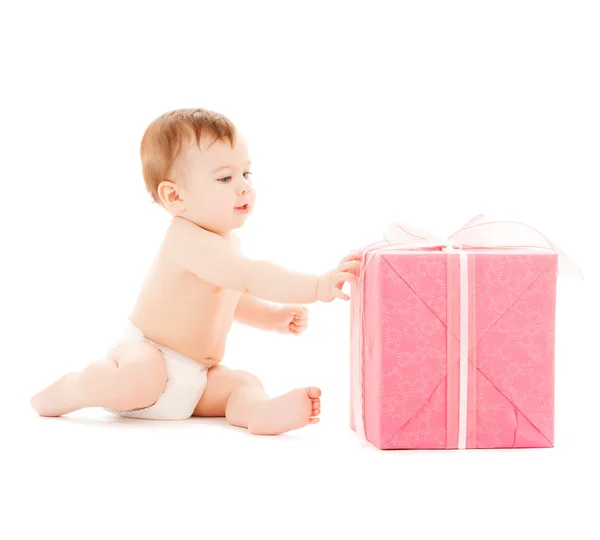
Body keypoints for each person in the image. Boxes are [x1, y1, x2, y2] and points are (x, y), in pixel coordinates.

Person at [30, 108, 361, 435]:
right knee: (140, 378)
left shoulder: (226, 244)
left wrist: (269, 317)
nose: (243, 187)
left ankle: (257, 411)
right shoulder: (186, 240)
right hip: (148, 353)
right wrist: (318, 285)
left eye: (246, 174)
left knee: (242, 383)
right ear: (174, 196)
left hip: (195, 378)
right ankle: (71, 390)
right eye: (225, 178)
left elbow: (230, 298)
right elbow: (252, 276)